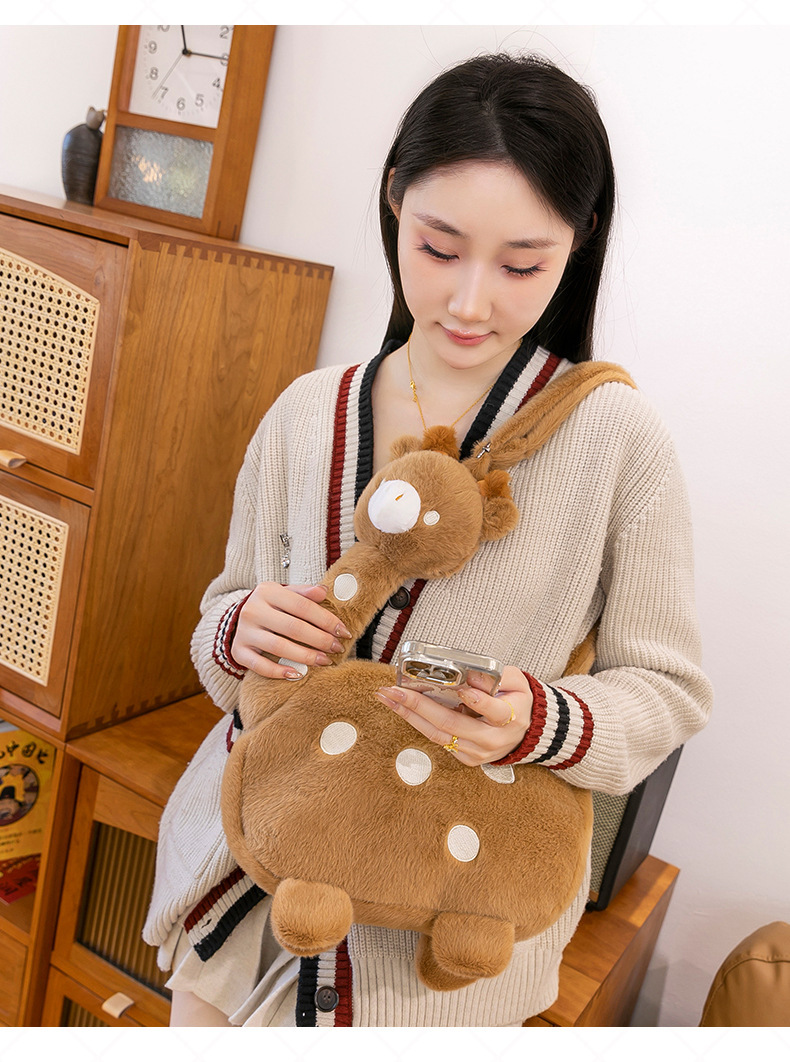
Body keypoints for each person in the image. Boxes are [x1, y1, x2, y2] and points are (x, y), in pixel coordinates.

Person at [143, 52, 712, 1027]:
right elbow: (220, 621)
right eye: (439, 248)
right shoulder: (305, 412)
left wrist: (540, 720)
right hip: (235, 889)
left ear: (578, 242)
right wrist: (240, 631)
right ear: (394, 201)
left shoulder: (619, 442)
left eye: (521, 265)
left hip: (435, 952)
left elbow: (667, 689)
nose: (470, 301)